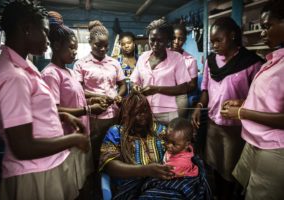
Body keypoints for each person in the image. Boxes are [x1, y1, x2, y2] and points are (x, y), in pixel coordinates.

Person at [0, 1, 90, 199]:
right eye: (44, 31)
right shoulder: (13, 77)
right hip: (34, 172)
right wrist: (74, 138)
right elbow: (23, 147)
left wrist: (64, 115)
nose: (48, 40)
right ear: (26, 29)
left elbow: (36, 111)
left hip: (47, 164)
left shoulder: (25, 66)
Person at [191, 17, 263, 200]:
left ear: (232, 36)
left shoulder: (251, 63)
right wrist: (200, 105)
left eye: (218, 40)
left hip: (236, 127)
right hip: (214, 124)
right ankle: (216, 194)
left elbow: (259, 99)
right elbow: (206, 89)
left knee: (230, 170)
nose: (214, 45)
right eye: (212, 42)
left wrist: (240, 103)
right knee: (213, 164)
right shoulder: (211, 61)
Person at [220, 1, 284, 199]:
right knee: (244, 186)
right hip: (255, 140)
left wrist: (241, 113)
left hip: (274, 148)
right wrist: (242, 102)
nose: (263, 33)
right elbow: (269, 99)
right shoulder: (275, 59)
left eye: (267, 26)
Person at [41, 12, 108, 191]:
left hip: (80, 134)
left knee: (83, 180)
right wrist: (87, 110)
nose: (75, 52)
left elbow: (77, 97)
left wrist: (94, 99)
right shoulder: (51, 74)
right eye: (71, 48)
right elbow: (54, 110)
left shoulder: (68, 72)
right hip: (66, 137)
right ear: (56, 46)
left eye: (76, 48)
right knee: (71, 184)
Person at [99, 92, 210, 199]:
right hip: (132, 189)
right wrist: (146, 170)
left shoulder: (160, 131)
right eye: (137, 113)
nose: (143, 115)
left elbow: (181, 150)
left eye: (145, 110)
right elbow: (109, 165)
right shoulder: (116, 132)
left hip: (164, 185)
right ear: (127, 115)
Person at [73, 20, 126, 169]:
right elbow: (78, 90)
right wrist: (98, 97)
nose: (103, 49)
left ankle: (110, 173)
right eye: (98, 45)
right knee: (95, 148)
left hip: (115, 112)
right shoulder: (81, 64)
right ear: (90, 42)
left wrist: (118, 95)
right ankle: (96, 177)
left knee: (113, 145)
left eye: (106, 45)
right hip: (95, 115)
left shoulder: (114, 63)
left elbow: (122, 84)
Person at [131, 18, 192, 125]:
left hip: (168, 114)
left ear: (168, 40)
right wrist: (135, 86)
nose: (155, 44)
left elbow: (183, 88)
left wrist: (157, 89)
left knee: (167, 141)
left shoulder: (176, 58)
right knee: (148, 141)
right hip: (145, 112)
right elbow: (135, 81)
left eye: (160, 40)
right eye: (152, 39)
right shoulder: (143, 57)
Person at [171, 23, 198, 117]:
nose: (176, 41)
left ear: (185, 40)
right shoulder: (162, 55)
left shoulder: (190, 60)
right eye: (173, 37)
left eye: (180, 39)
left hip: (180, 95)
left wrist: (176, 89)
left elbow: (193, 85)